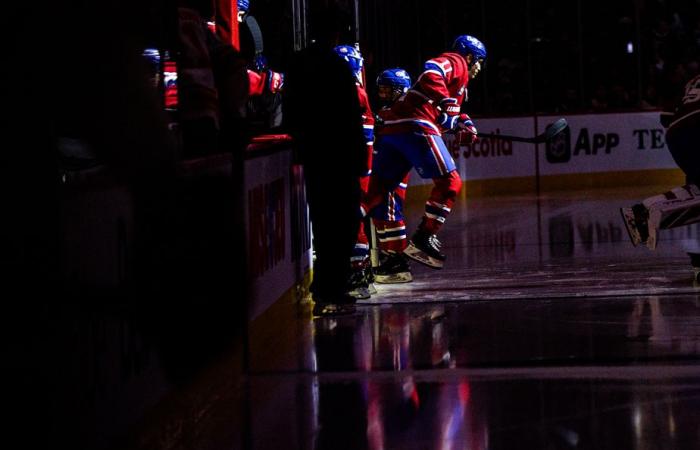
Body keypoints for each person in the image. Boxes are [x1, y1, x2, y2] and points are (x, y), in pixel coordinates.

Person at [362, 35, 486, 269]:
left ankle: (349, 252)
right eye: (479, 61)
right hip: (416, 126)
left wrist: (464, 122)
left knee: (373, 196)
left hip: (395, 130)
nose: (479, 67)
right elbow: (432, 72)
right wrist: (448, 104)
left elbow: (448, 111)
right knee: (450, 183)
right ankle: (423, 237)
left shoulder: (460, 87)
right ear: (469, 56)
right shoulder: (458, 61)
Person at [283, 6, 367, 316]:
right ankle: (333, 285)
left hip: (315, 155)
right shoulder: (337, 66)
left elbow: (291, 110)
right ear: (334, 33)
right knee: (343, 223)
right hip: (339, 156)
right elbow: (350, 117)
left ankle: (326, 285)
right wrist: (359, 157)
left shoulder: (298, 63)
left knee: (323, 220)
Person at [620, 74, 700, 253]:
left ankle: (643, 212)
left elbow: (665, 117)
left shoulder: (692, 80)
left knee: (696, 189)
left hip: (676, 135)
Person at [334, 44, 376, 300]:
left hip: (355, 167)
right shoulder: (358, 92)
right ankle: (360, 268)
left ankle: (357, 271)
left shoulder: (351, 94)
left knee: (352, 217)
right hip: (360, 165)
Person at [370, 68, 415, 283]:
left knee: (391, 215)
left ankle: (398, 262)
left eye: (387, 90)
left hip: (393, 173)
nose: (383, 95)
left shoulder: (403, 110)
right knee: (381, 214)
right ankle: (389, 258)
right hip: (384, 170)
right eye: (381, 90)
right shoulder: (388, 110)